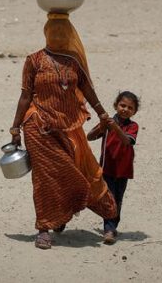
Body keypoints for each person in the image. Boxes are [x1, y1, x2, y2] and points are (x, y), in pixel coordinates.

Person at [9, 13, 117, 250]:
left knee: (85, 170)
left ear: (68, 34)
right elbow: (25, 95)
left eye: (62, 32)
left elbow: (86, 88)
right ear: (46, 32)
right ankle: (44, 228)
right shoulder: (34, 60)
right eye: (53, 31)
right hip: (38, 126)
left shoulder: (74, 61)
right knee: (45, 178)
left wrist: (101, 113)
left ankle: (107, 221)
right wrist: (15, 126)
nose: (57, 36)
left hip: (71, 127)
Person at [87, 91, 140, 245]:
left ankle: (113, 225)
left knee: (118, 198)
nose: (125, 109)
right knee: (108, 198)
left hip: (123, 170)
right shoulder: (108, 122)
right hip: (107, 167)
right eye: (122, 105)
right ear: (116, 105)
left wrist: (114, 127)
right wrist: (102, 126)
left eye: (130, 108)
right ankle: (108, 229)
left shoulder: (133, 126)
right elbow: (89, 137)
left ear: (134, 112)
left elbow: (127, 141)